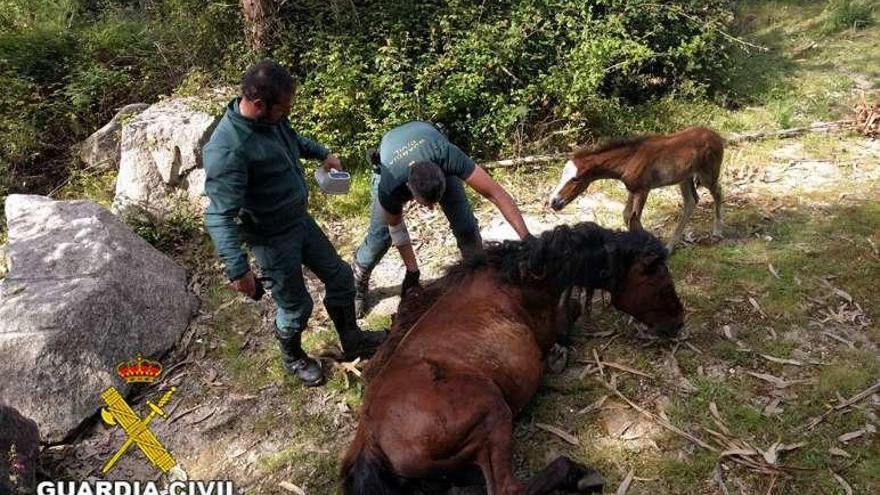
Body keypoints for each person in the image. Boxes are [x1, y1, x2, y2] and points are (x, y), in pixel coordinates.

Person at [202, 60, 385, 387]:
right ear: (259, 105)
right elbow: (219, 215)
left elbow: (292, 139)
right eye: (282, 110)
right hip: (271, 238)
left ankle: (353, 340)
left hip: (299, 221)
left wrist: (322, 154)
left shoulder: (272, 121)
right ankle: (293, 357)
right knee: (297, 306)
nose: (286, 115)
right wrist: (237, 268)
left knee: (341, 277)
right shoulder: (229, 148)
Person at [352, 121, 531, 316]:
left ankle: (478, 274)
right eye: (426, 204)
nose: (431, 209)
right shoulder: (390, 186)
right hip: (388, 164)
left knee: (466, 226)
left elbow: (496, 194)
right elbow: (397, 229)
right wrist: (413, 271)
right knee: (381, 236)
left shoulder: (447, 155)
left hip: (431, 149)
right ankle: (358, 279)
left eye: (435, 201)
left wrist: (527, 238)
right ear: (410, 191)